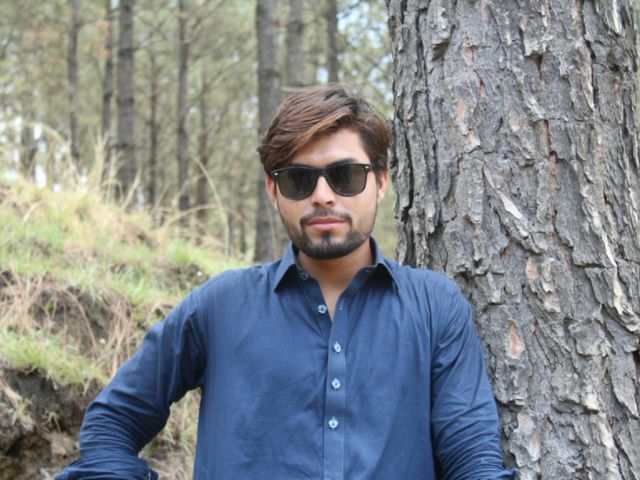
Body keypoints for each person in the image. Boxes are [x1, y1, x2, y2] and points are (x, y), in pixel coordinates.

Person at [57, 85, 516, 479]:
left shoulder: (435, 307)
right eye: (299, 180)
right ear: (273, 191)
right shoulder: (220, 306)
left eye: (345, 176)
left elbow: (472, 459)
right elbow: (112, 424)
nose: (323, 196)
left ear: (380, 182)